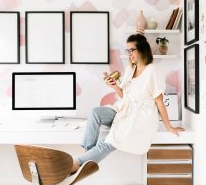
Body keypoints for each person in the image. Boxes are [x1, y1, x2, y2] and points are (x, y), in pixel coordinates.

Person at [71, 33, 184, 173]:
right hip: (124, 109)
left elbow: (159, 101)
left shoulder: (153, 71)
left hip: (140, 117)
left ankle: (78, 163)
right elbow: (125, 95)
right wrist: (114, 86)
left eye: (131, 50)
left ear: (142, 49)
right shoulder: (131, 69)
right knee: (95, 112)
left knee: (109, 141)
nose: (129, 54)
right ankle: (89, 153)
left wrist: (169, 127)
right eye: (128, 50)